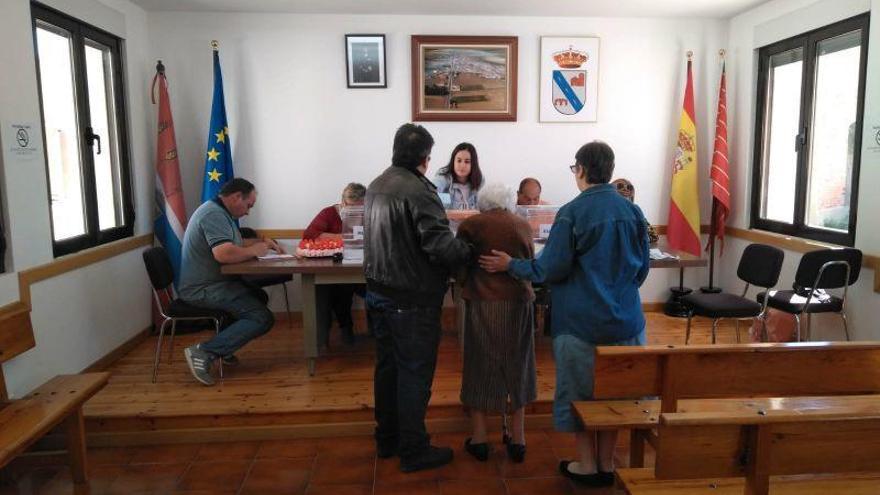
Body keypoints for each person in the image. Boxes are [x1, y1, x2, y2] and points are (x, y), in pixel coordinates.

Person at [479, 141, 650, 487]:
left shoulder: (572, 213)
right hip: (628, 322)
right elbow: (642, 270)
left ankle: (587, 465)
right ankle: (606, 463)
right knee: (615, 394)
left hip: (582, 325)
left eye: (575, 169)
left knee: (581, 395)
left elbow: (549, 270)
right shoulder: (634, 212)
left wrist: (511, 264)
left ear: (582, 170)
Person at [365, 123, 473, 473]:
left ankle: (388, 439)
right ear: (426, 158)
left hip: (378, 293)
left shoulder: (376, 185)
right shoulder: (418, 190)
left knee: (387, 369)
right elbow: (440, 246)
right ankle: (414, 449)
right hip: (411, 300)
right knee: (414, 373)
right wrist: (469, 249)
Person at [456, 183, 536, 464]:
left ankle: (479, 439)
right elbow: (531, 263)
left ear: (483, 202)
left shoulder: (472, 225)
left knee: (480, 363)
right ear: (508, 201)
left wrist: (466, 282)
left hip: (483, 302)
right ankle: (518, 439)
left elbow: (461, 264)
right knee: (519, 363)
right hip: (519, 302)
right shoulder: (523, 224)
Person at [179, 178, 284, 386]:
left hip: (215, 283)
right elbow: (224, 253)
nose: (248, 212)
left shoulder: (218, 212)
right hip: (203, 288)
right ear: (237, 197)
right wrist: (255, 250)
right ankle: (205, 351)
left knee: (257, 296)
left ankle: (224, 347)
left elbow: (234, 243)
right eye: (248, 205)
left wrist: (262, 242)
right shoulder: (213, 214)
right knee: (261, 318)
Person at [303, 182, 367, 345]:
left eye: (359, 207)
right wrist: (344, 236)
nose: (355, 211)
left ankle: (377, 332)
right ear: (343, 202)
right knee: (342, 291)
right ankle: (346, 329)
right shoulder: (329, 213)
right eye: (351, 206)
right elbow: (310, 234)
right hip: (336, 267)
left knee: (377, 288)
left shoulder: (369, 212)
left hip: (362, 265)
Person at [432, 142, 484, 210]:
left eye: (467, 161)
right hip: (448, 220)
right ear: (453, 161)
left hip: (471, 220)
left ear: (473, 164)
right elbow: (431, 194)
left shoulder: (479, 179)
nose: (462, 165)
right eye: (459, 161)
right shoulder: (443, 177)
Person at [611, 178, 659, 244]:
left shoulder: (636, 213)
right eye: (620, 186)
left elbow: (654, 236)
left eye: (629, 188)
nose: (625, 189)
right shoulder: (606, 214)